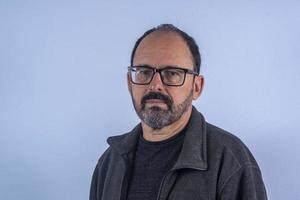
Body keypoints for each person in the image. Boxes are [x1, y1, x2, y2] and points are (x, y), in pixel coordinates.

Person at [89, 24, 267, 200]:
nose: (155, 84)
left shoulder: (230, 160)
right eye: (144, 72)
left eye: (172, 73)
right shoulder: (109, 163)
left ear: (197, 87)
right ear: (129, 83)